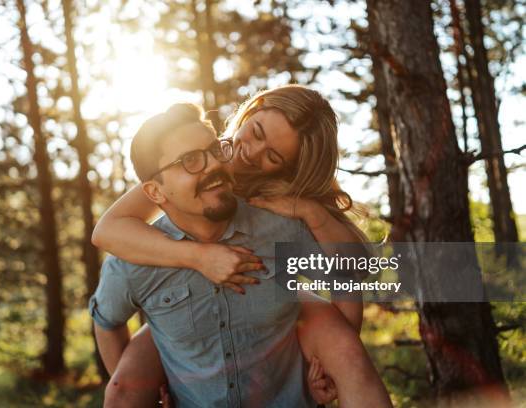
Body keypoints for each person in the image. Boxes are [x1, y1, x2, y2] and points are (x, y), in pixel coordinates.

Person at [89, 102, 392, 407]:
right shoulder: (191, 159)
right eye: (256, 132)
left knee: (342, 346)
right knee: (123, 390)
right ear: (249, 113)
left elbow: (353, 271)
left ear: (287, 168)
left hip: (282, 304)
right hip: (183, 327)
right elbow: (106, 232)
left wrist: (329, 364)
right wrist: (198, 257)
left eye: (273, 156)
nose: (251, 154)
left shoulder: (279, 214)